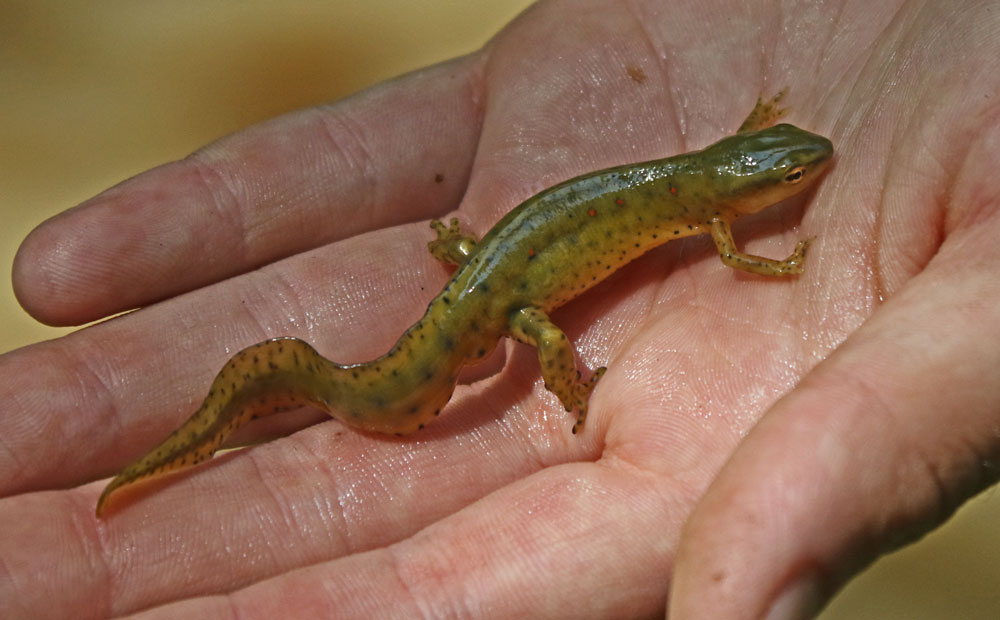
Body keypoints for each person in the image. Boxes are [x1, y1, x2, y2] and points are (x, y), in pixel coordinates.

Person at [3, 1, 999, 618]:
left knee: (497, 282)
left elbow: (735, 165)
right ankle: (562, 377)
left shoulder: (706, 184)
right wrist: (582, 368)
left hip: (496, 262)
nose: (797, 176)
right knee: (535, 328)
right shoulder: (711, 204)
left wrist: (771, 138)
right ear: (739, 184)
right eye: (781, 175)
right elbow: (739, 248)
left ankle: (467, 269)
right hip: (512, 296)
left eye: (785, 173)